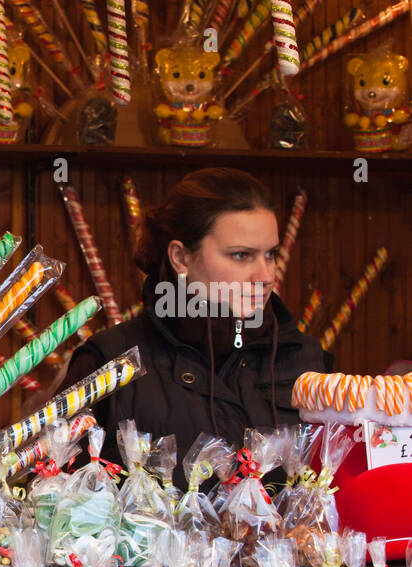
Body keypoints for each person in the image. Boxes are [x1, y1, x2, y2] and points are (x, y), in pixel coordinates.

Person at [61, 168, 332, 481]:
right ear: (181, 258)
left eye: (270, 254)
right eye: (241, 255)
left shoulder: (307, 361)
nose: (266, 275)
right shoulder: (109, 364)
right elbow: (57, 505)